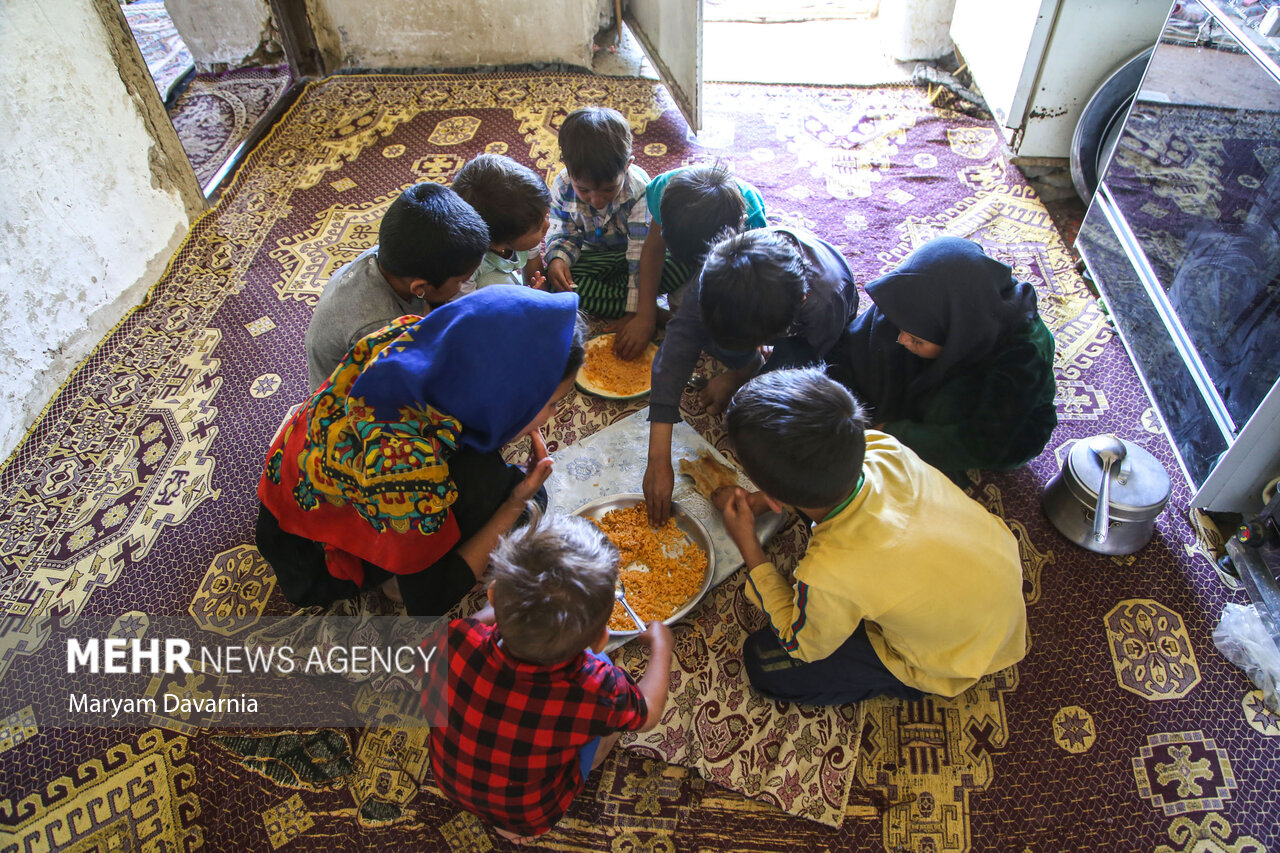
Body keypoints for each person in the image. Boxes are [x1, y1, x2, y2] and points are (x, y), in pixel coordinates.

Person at [257, 286, 584, 618]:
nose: (554, 415)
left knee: (493, 474)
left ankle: (411, 561)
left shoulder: (418, 335)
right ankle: (395, 580)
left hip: (298, 492)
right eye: (552, 403)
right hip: (311, 561)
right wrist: (516, 502)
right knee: (518, 496)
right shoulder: (408, 467)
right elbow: (428, 604)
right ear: (509, 400)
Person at [714, 367, 1027, 705]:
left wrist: (749, 545)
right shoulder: (883, 446)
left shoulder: (829, 573)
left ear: (777, 499)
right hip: (998, 576)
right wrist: (767, 497)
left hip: (955, 655)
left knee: (763, 661)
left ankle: (905, 682)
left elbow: (800, 644)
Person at [428, 508, 673, 844]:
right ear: (601, 637)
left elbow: (474, 624)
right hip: (530, 813)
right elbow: (648, 711)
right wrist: (662, 646)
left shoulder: (456, 638)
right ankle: (515, 827)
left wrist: (505, 606)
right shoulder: (594, 686)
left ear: (493, 595)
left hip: (449, 780)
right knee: (612, 711)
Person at [642, 227, 859, 523]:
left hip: (811, 334)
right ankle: (746, 363)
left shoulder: (824, 304)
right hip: (768, 314)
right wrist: (657, 457)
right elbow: (680, 341)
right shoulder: (718, 273)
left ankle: (748, 366)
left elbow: (804, 378)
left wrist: (740, 378)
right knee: (698, 330)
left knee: (772, 419)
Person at [827, 236, 1057, 483]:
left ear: (956, 338)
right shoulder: (929, 295)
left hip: (1012, 422)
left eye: (916, 340)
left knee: (944, 408)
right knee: (884, 337)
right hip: (950, 354)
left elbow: (988, 441)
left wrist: (895, 434)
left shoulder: (1024, 354)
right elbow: (849, 349)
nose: (902, 340)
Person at [304, 182, 490, 391]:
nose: (464, 286)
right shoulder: (382, 327)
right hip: (348, 399)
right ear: (420, 288)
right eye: (461, 281)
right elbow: (403, 389)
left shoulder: (396, 258)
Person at [542, 107, 684, 325]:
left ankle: (634, 304)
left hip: (640, 258)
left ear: (627, 166)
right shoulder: (562, 185)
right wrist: (559, 259)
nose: (596, 200)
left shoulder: (641, 190)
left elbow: (640, 254)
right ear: (568, 170)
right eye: (584, 190)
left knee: (683, 261)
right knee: (556, 281)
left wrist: (635, 314)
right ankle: (649, 308)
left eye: (608, 189)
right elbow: (563, 233)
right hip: (595, 260)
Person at [613, 162, 768, 359]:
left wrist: (760, 331)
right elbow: (653, 249)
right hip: (692, 250)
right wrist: (645, 315)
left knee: (730, 323)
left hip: (734, 264)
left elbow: (759, 281)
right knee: (684, 313)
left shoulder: (753, 224)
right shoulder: (663, 192)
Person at [452, 153, 551, 292]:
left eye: (545, 216)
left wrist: (538, 292)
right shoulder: (465, 267)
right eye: (538, 228)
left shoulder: (523, 221)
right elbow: (468, 304)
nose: (547, 225)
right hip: (475, 292)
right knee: (502, 289)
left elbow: (535, 274)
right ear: (497, 245)